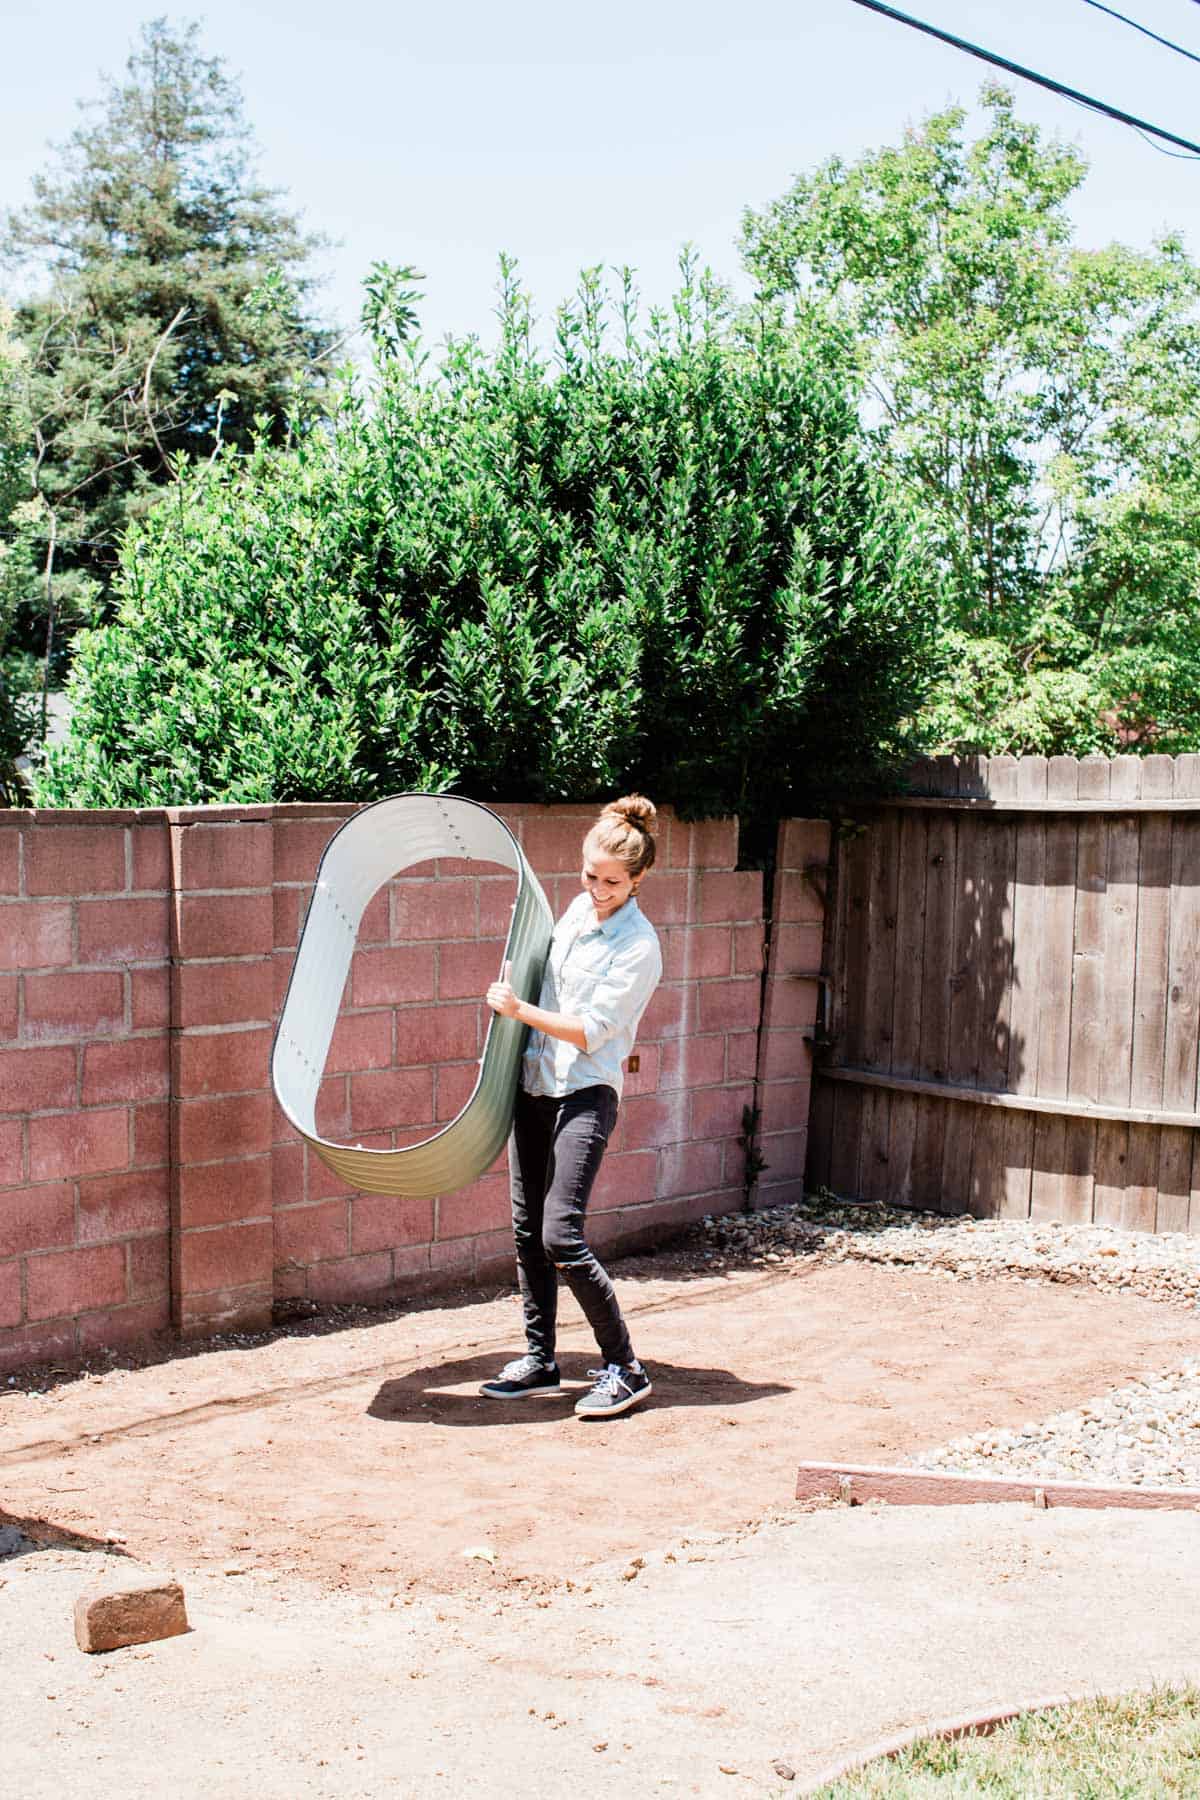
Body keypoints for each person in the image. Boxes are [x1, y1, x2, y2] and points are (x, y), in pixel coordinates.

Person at [480, 794, 663, 1418]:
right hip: (533, 1088)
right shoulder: (574, 915)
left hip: (585, 1094)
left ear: (638, 880)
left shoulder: (638, 945)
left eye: (613, 881)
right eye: (590, 875)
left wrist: (518, 1011)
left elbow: (592, 1029)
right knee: (528, 1230)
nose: (598, 888)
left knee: (561, 1232)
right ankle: (541, 1360)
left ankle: (625, 1367)